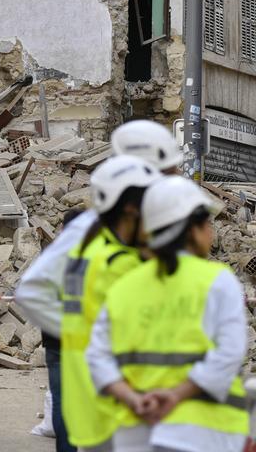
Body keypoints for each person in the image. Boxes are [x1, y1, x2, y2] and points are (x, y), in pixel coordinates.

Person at [15, 120, 180, 452]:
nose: (175, 176)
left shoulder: (161, 224)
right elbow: (32, 289)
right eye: (169, 168)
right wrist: (87, 337)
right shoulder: (93, 227)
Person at [87, 176, 249, 452]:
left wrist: (132, 398)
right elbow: (230, 353)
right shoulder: (217, 280)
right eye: (207, 224)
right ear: (192, 230)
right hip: (202, 433)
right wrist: (175, 395)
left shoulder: (124, 287)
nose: (211, 232)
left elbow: (97, 357)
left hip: (133, 431)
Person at [61, 156, 161, 451]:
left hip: (85, 393)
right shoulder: (120, 264)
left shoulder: (87, 252)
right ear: (131, 207)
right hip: (118, 400)